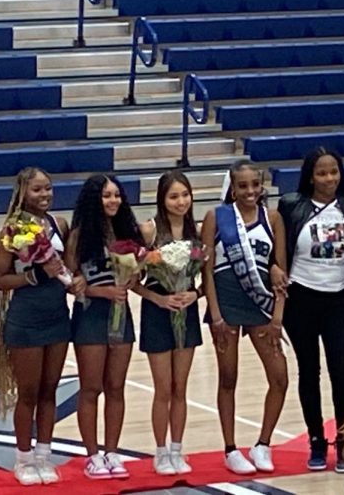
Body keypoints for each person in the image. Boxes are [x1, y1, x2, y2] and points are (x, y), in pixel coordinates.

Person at [0, 167, 82, 486]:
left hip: (58, 316)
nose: (44, 195)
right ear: (22, 193)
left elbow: (69, 269)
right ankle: (23, 459)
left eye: (48, 189)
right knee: (28, 392)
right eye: (37, 190)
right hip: (26, 319)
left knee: (49, 390)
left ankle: (44, 455)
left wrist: (78, 282)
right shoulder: (12, 229)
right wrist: (32, 276)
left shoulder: (60, 224)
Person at [201, 159, 289, 475]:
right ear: (232, 188)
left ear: (262, 185)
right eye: (243, 185)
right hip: (225, 307)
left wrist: (278, 318)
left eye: (255, 184)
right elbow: (207, 272)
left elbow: (280, 272)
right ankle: (230, 449)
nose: (250, 190)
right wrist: (216, 315)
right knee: (228, 378)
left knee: (280, 377)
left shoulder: (273, 218)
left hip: (260, 307)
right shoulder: (216, 217)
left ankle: (263, 444)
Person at [278, 147, 344, 473]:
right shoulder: (291, 205)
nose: (329, 178)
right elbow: (278, 248)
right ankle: (315, 440)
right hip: (301, 298)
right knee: (308, 371)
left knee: (341, 370)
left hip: (338, 298)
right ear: (310, 176)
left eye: (333, 172)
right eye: (322, 173)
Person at [65, 174, 142, 480]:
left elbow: (138, 275)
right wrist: (99, 291)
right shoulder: (79, 235)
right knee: (91, 387)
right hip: (91, 315)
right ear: (94, 198)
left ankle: (112, 451)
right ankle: (92, 455)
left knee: (116, 387)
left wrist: (133, 279)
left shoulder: (129, 232)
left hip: (121, 315)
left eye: (117, 195)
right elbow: (70, 283)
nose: (113, 201)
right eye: (107, 196)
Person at [135, 170, 201, 476]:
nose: (181, 201)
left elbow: (205, 276)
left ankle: (177, 449)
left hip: (185, 313)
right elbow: (130, 279)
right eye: (174, 196)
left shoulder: (196, 232)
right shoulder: (148, 231)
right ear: (162, 199)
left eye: (185, 194)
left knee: (180, 387)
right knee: (163, 388)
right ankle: (160, 452)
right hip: (158, 312)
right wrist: (158, 299)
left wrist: (195, 294)